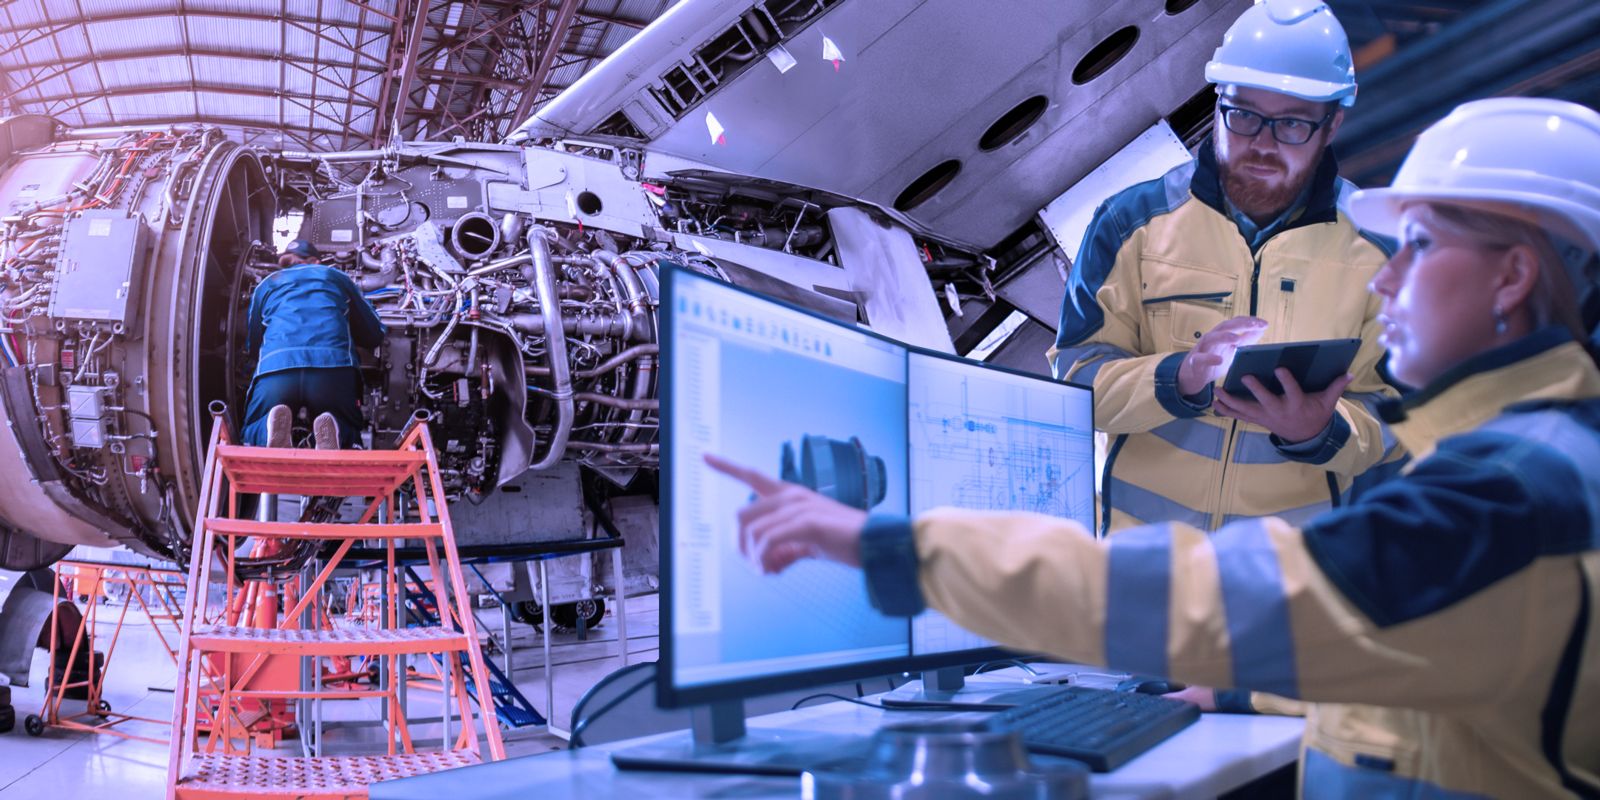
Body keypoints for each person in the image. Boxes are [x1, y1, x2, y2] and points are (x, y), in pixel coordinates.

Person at [709, 98, 1600, 798]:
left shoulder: (1510, 491)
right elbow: (1434, 650)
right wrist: (1248, 692)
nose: (1385, 276)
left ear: (1513, 276)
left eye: (1418, 246)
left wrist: (894, 546)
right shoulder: (1536, 448)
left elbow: (1218, 600)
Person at [1050, 0, 1401, 538]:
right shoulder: (1129, 224)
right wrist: (1177, 378)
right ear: (1217, 103)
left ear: (1331, 125)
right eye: (1243, 115)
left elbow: (1400, 416)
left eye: (1291, 125)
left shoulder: (1380, 252)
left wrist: (1322, 430)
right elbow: (1074, 385)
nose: (1261, 144)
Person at [242, 239, 385, 450]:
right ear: (315, 262)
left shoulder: (266, 284)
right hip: (332, 370)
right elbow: (373, 334)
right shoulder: (335, 277)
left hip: (276, 369)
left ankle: (267, 427)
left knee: (252, 428)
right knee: (348, 428)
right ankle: (335, 428)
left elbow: (253, 343)